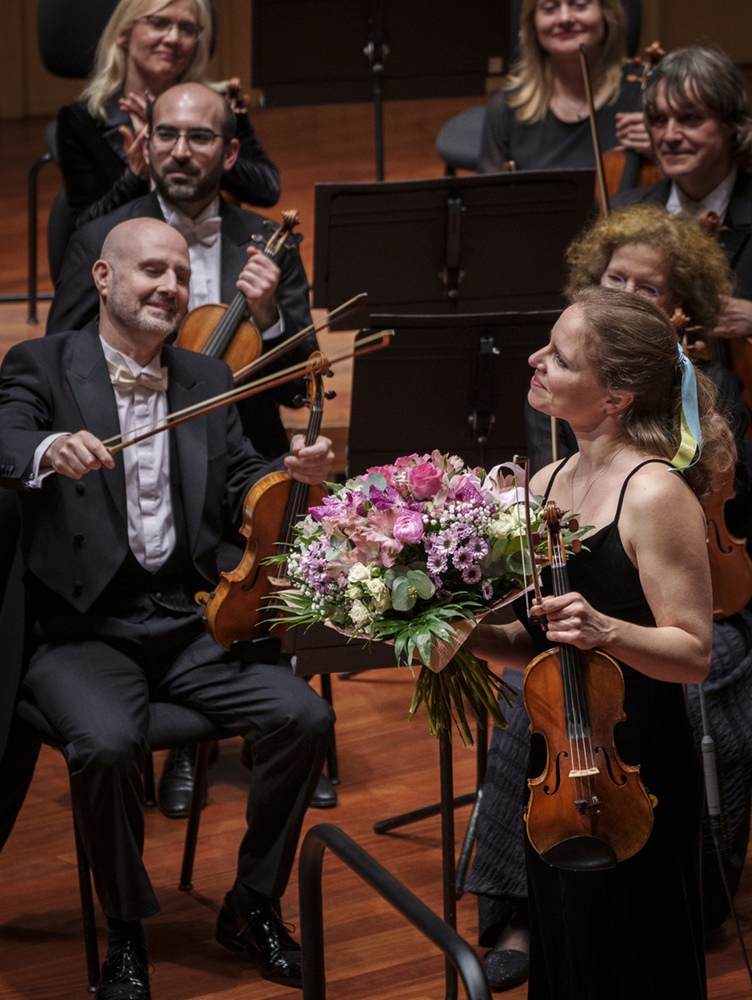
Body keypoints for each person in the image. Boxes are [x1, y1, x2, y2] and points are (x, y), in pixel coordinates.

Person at [0, 216, 334, 999]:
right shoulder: (42, 365)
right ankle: (124, 931)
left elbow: (242, 476)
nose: (170, 287)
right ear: (104, 280)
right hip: (78, 631)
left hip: (185, 622)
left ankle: (251, 903)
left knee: (305, 719)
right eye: (151, 270)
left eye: (180, 275)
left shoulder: (205, 379)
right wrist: (48, 451)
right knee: (108, 746)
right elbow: (4, 434)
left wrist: (293, 473)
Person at [468, 205, 752, 993]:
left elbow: (693, 654)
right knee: (566, 950)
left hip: (634, 768)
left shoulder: (655, 493)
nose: (536, 361)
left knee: (630, 961)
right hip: (555, 759)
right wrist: (465, 636)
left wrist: (603, 626)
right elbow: (535, 644)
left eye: (558, 357)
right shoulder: (545, 483)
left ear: (618, 395)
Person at [46, 80, 332, 816]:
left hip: (237, 451)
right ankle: (176, 745)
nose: (180, 150)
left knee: (280, 533)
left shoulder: (268, 243)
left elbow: (298, 390)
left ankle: (227, 732)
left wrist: (267, 321)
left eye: (199, 137)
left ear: (229, 151)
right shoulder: (100, 239)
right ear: (148, 141)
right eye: (166, 135)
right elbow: (61, 367)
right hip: (121, 464)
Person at [57, 0, 279, 228]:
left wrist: (208, 151)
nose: (173, 39)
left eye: (186, 28)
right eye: (158, 23)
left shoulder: (219, 104)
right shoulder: (80, 120)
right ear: (123, 34)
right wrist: (137, 174)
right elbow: (85, 227)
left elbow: (268, 189)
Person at [611, 46, 752, 340]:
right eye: (660, 120)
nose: (671, 136)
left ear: (731, 124)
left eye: (690, 119)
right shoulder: (622, 212)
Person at [478, 0, 650, 175]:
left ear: (606, 13)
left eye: (580, 5)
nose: (564, 18)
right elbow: (489, 198)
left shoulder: (648, 93)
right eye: (550, 9)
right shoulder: (506, 107)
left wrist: (665, 148)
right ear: (533, 22)